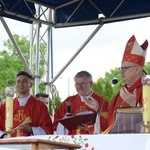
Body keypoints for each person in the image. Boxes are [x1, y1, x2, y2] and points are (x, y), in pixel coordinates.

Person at [108, 35, 148, 128]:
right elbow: (109, 119)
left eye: (125, 68)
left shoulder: (147, 88)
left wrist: (135, 105)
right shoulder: (122, 91)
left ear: (137, 69)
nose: (121, 72)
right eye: (121, 69)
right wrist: (98, 110)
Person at [0, 71, 53, 138]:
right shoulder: (5, 106)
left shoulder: (40, 107)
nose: (21, 84)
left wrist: (31, 129)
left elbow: (48, 130)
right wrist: (4, 136)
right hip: (9, 145)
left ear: (31, 84)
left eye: (24, 81)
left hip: (31, 146)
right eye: (18, 81)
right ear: (15, 84)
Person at [53, 70, 108, 135]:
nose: (79, 87)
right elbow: (56, 123)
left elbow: (108, 123)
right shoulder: (69, 101)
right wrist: (65, 121)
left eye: (82, 83)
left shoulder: (101, 101)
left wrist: (98, 111)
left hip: (92, 140)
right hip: (72, 142)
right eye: (77, 84)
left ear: (91, 84)